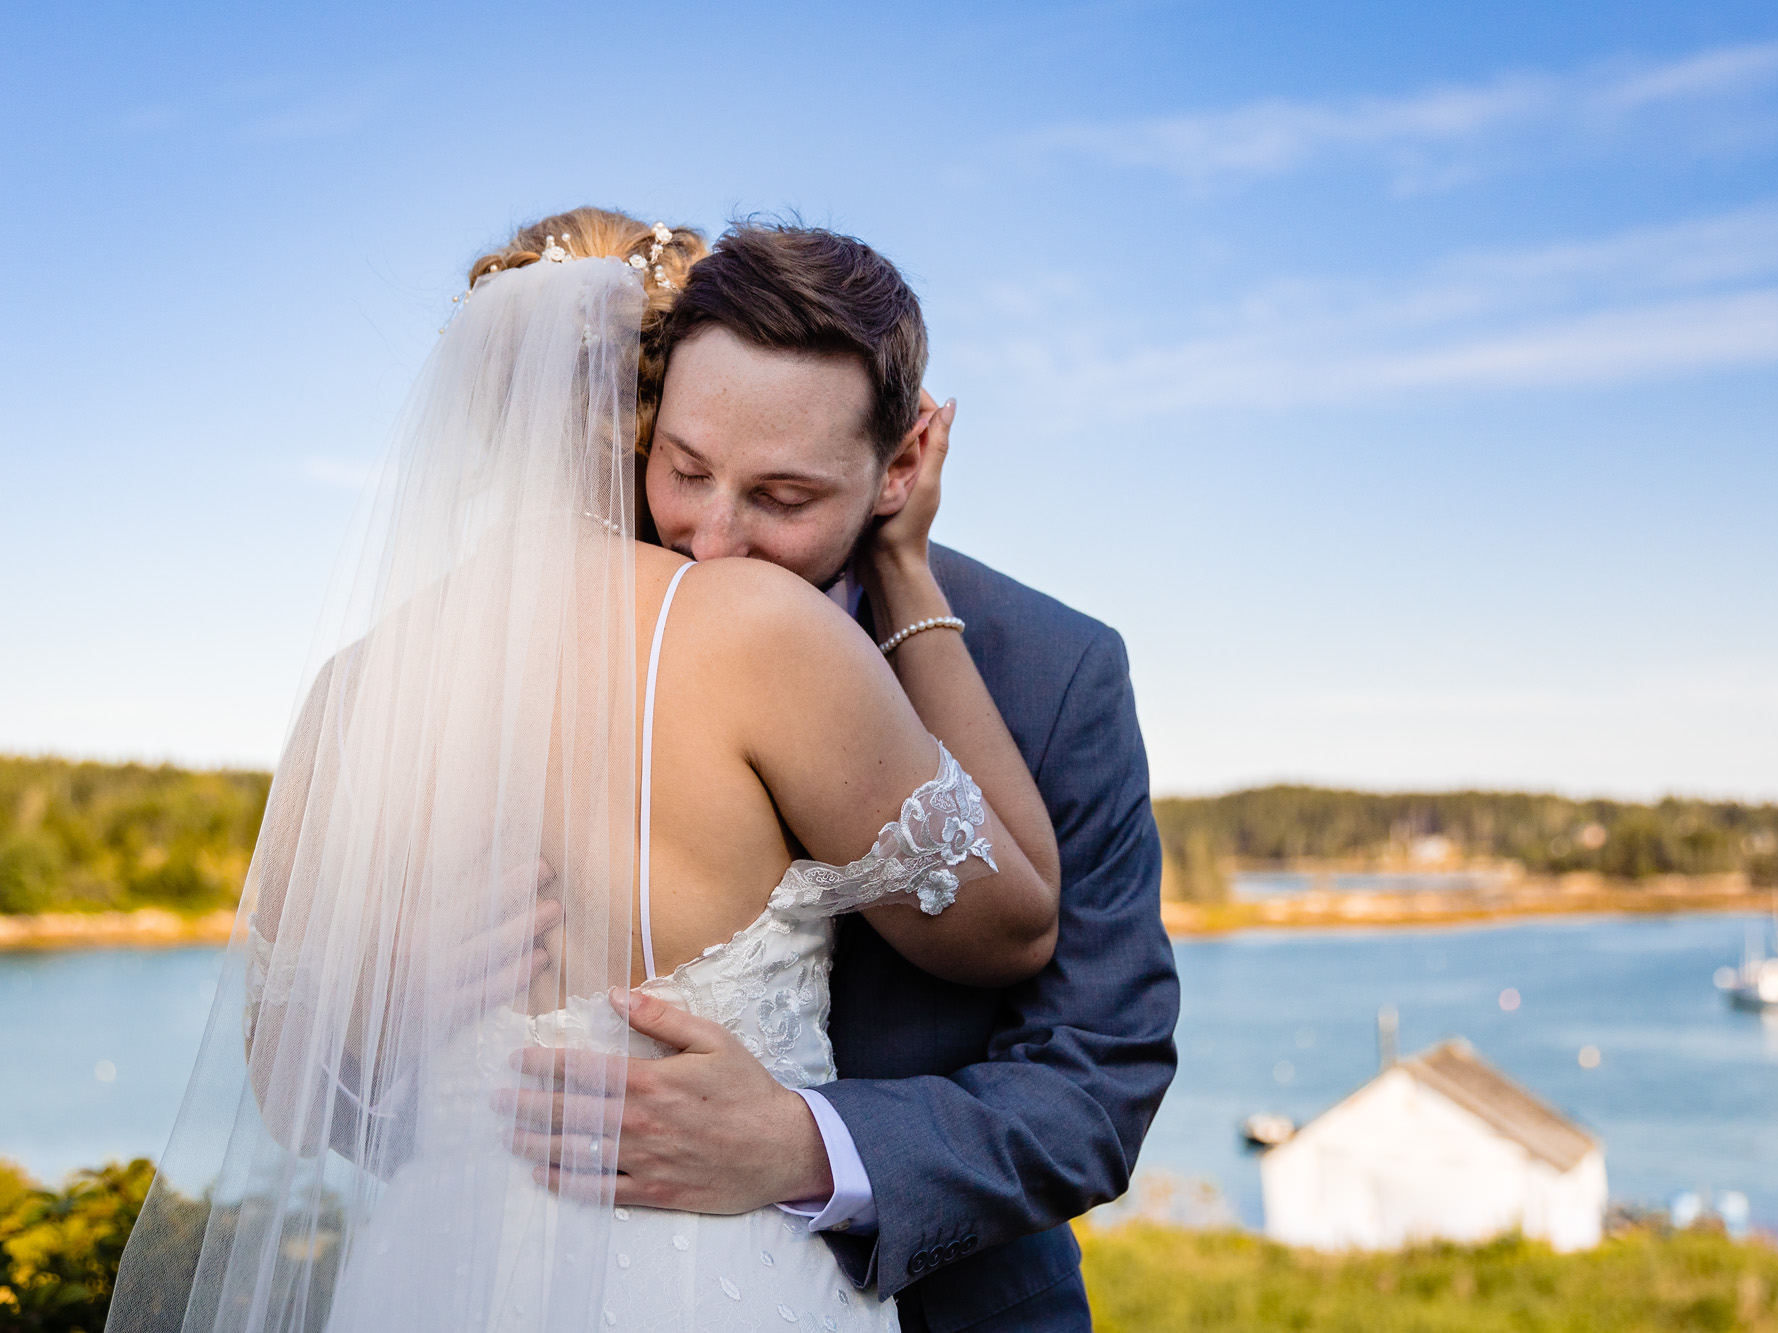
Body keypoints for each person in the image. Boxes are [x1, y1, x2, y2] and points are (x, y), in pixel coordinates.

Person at [104, 208, 1083, 1333]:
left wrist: (386, 987)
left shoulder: (355, 687)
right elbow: (1010, 927)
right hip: (705, 1280)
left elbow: (281, 1084)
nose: (716, 527)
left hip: (427, 1274)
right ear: (657, 416)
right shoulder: (749, 627)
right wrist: (907, 578)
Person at [505, 219, 1182, 1331]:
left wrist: (802, 1144)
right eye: (683, 471)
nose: (709, 541)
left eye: (780, 498)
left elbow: (1099, 1078)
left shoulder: (1059, 671)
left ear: (901, 464)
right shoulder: (559, 634)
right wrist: (418, 973)